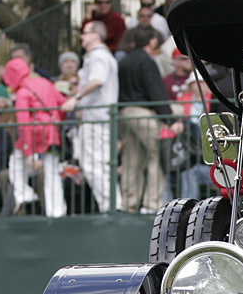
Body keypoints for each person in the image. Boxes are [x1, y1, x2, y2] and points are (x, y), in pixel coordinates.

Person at [117, 27, 183, 213]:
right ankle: (150, 204)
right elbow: (156, 92)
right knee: (158, 155)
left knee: (131, 159)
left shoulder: (124, 61)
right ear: (152, 42)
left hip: (123, 113)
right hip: (142, 113)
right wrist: (169, 119)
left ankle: (128, 204)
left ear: (133, 42)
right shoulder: (147, 62)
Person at [61, 21, 119, 213]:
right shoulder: (99, 56)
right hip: (96, 118)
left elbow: (97, 80)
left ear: (95, 35)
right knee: (97, 163)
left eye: (84, 33)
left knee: (95, 163)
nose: (81, 37)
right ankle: (112, 205)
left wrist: (75, 98)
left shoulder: (98, 56)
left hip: (97, 119)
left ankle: (110, 207)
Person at [3, 55, 67, 216]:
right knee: (52, 171)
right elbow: (62, 102)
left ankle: (25, 195)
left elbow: (23, 123)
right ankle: (57, 211)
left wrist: (28, 151)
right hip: (51, 132)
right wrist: (56, 117)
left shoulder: (22, 93)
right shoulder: (45, 83)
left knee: (16, 163)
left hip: (34, 132)